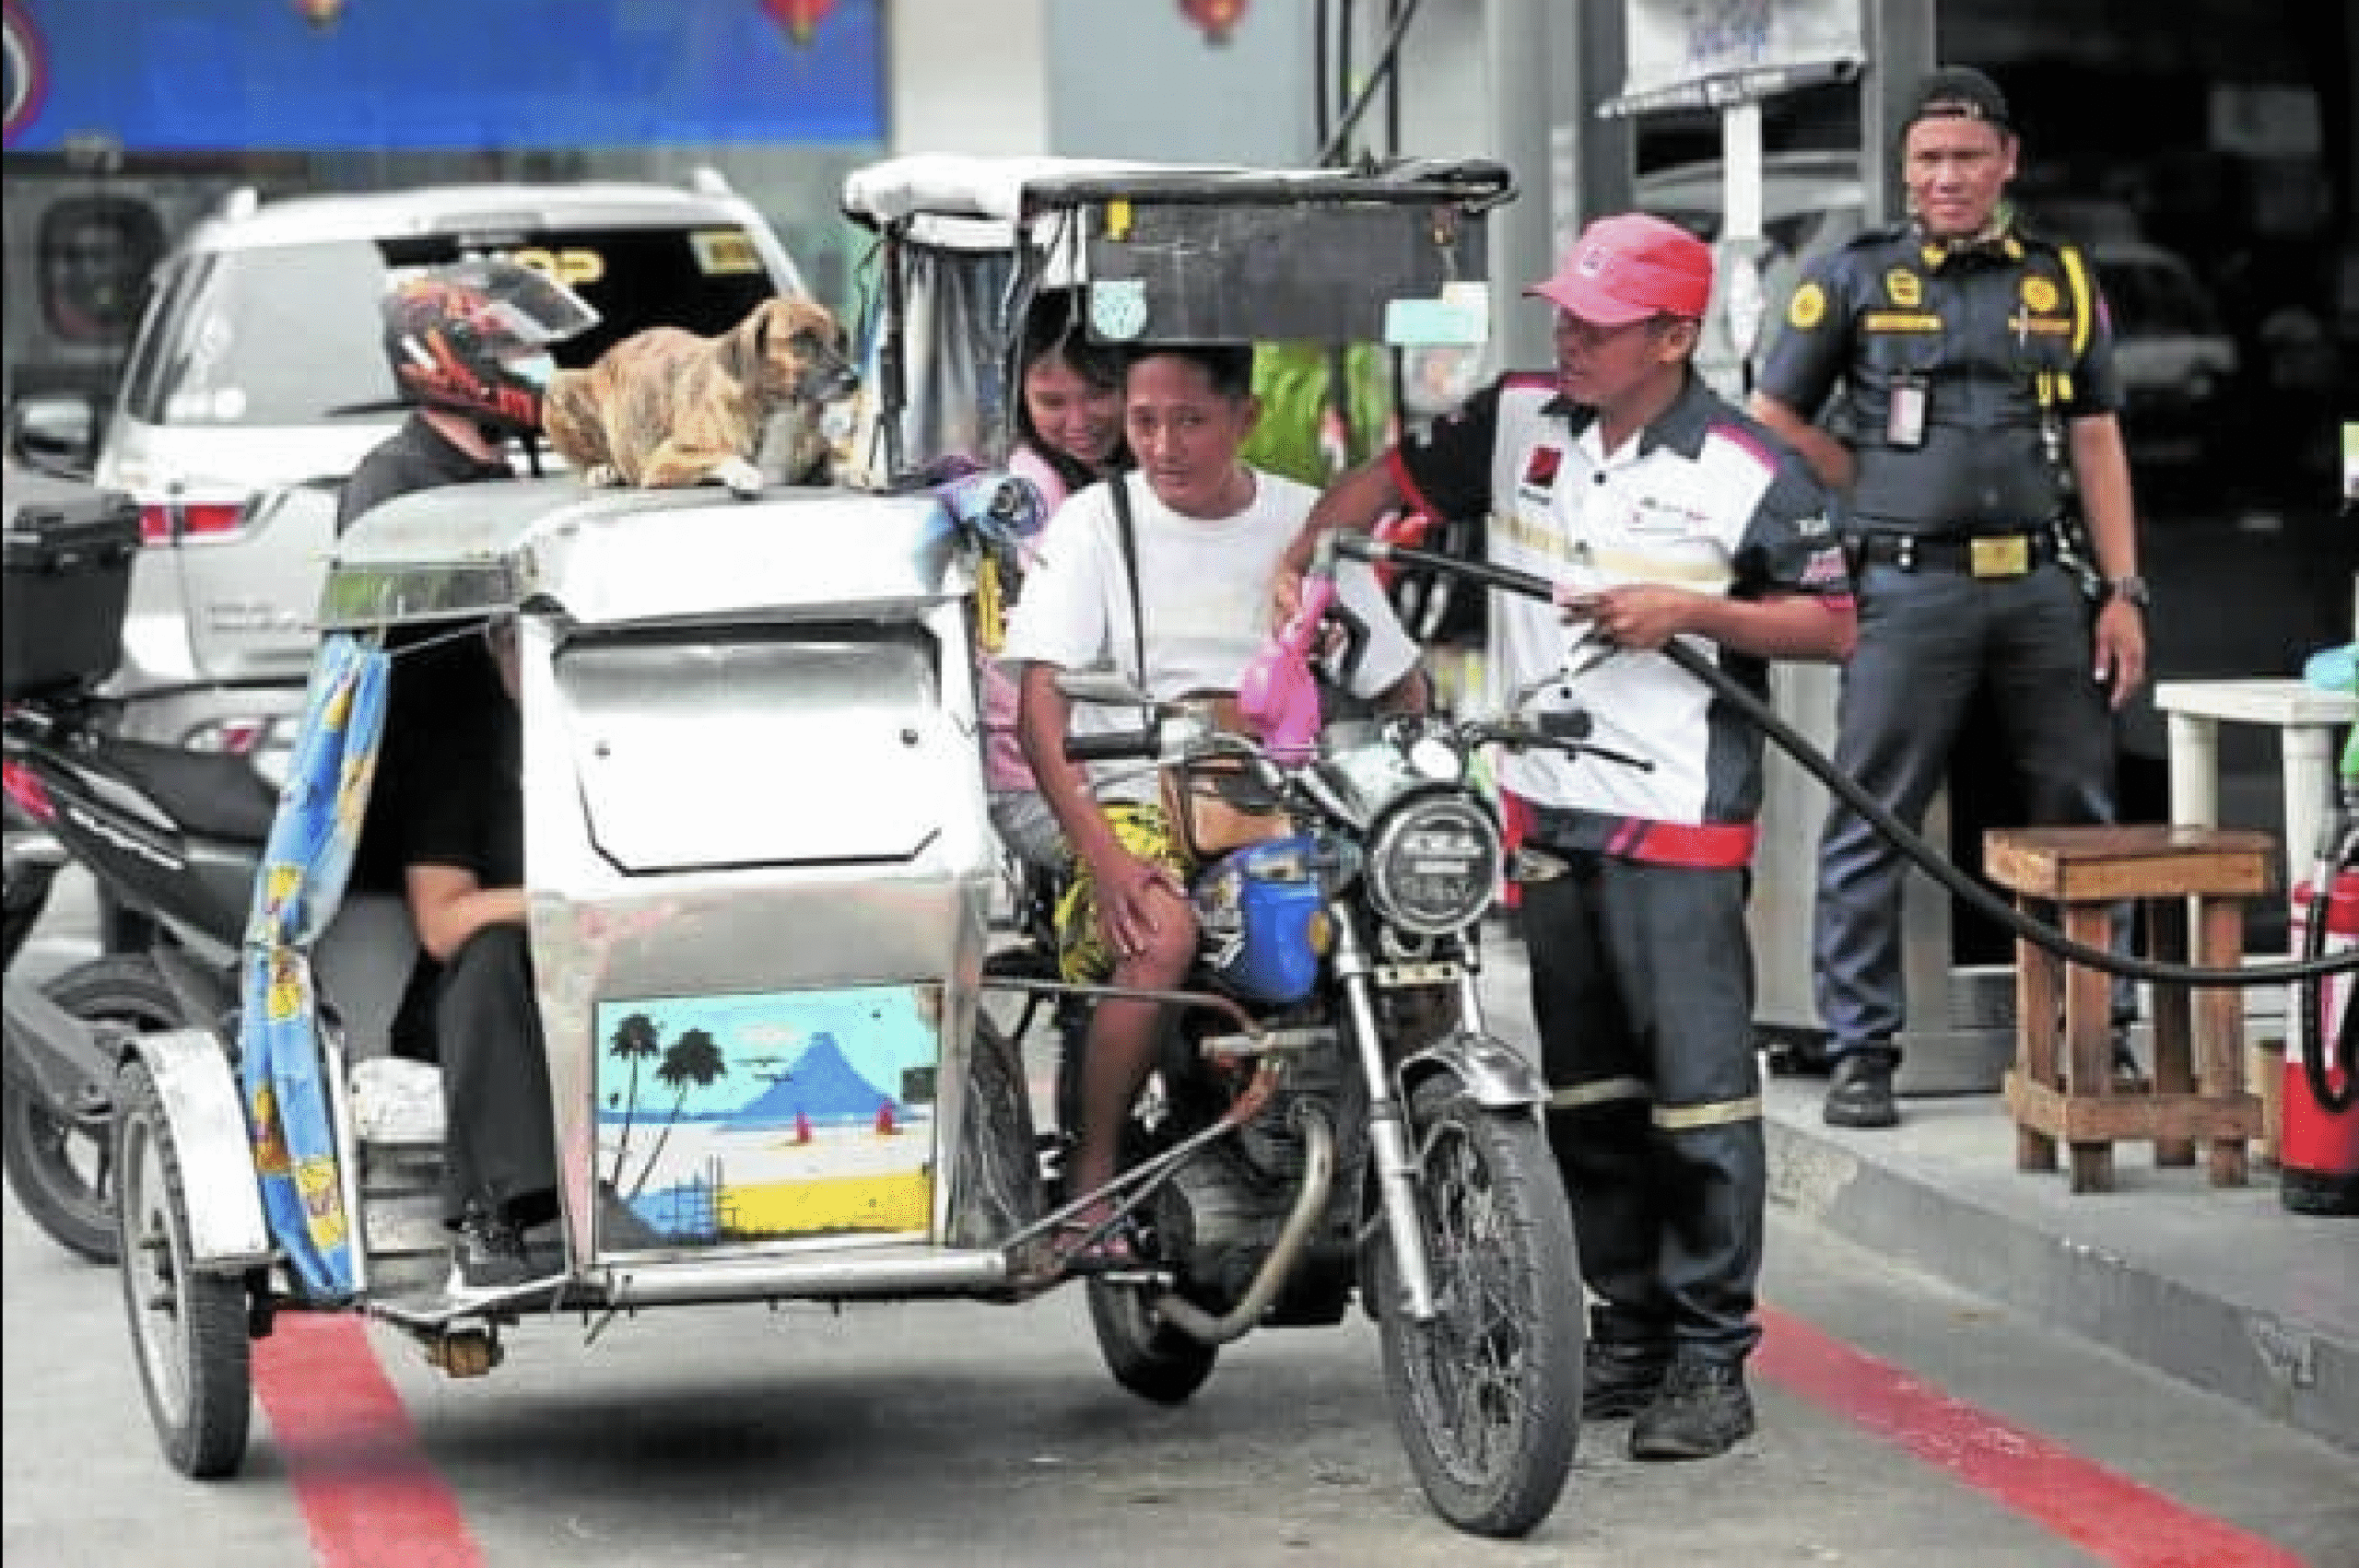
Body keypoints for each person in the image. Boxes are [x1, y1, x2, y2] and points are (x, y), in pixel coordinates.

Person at [1281, 214, 1856, 1460]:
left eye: (1598, 323)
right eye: (1566, 315)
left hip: (1676, 814)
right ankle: (1630, 1325)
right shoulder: (1519, 414)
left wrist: (1688, 611)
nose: (1570, 337)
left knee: (1697, 1097)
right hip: (1543, 807)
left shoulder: (1748, 465)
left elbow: (1829, 626)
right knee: (1586, 1089)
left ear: (1674, 335)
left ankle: (1712, 1354)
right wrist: (1309, 557)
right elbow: (1383, 487)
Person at [1746, 65, 2150, 1130]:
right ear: (1904, 168)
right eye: (1927, 159)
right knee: (1873, 814)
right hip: (1905, 589)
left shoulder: (2057, 275)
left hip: (2038, 588)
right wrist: (1862, 482)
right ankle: (1861, 1052)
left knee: (2079, 814)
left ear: (2006, 162)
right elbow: (1772, 412)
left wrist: (2123, 590)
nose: (1946, 177)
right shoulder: (1854, 274)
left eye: (1967, 158)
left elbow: (2100, 437)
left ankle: (2092, 1034)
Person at [1003, 343, 1426, 1268]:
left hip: (1286, 789)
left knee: (1414, 927)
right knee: (1158, 935)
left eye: (1188, 420)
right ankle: (1092, 1181)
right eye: (1144, 421)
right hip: (1135, 787)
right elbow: (1040, 713)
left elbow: (1400, 684)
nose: (1160, 444)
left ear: (1246, 416)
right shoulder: (1092, 523)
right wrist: (1107, 862)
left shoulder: (1300, 522)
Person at [399, 612, 557, 1291]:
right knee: (493, 950)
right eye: (523, 641)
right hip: (490, 991)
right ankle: (503, 1205)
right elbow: (442, 923)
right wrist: (565, 901)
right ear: (498, 649)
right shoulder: (464, 762)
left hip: (606, 969)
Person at [981, 292, 1133, 875]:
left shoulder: (1138, 483)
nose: (1078, 422)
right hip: (1046, 789)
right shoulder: (1030, 492)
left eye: (1098, 394)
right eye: (1051, 402)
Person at [337, 255, 599, 531]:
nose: (543, 361)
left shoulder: (495, 465)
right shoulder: (393, 483)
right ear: (448, 358)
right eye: (516, 347)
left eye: (540, 348)